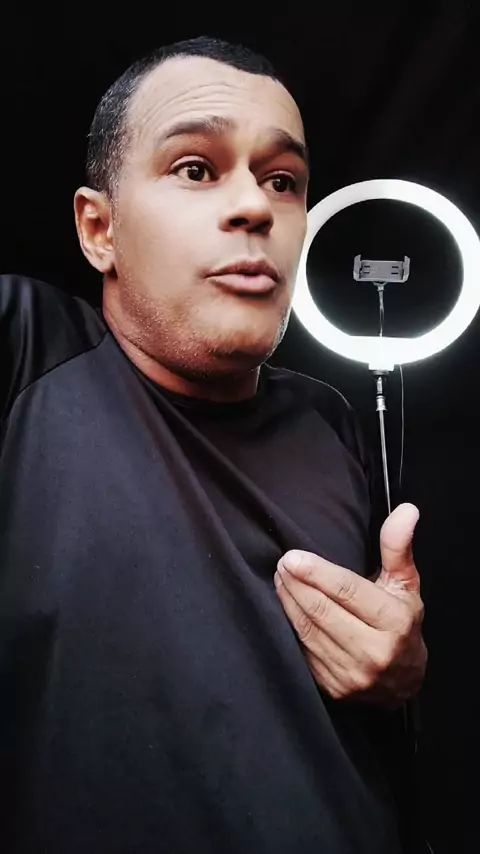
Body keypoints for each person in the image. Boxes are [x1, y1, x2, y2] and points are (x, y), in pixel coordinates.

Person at [0, 36, 427, 854]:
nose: (256, 208)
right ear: (99, 228)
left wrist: (400, 670)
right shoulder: (25, 351)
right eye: (196, 168)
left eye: (283, 181)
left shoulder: (330, 419)